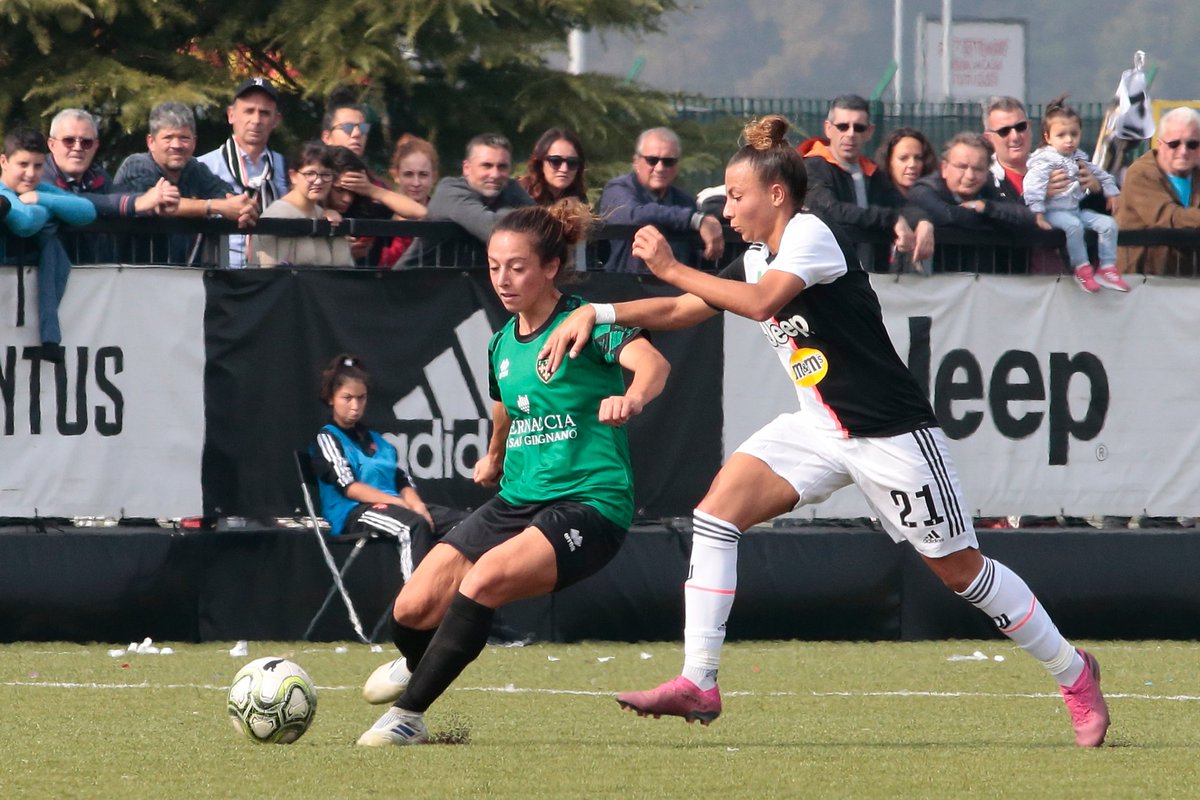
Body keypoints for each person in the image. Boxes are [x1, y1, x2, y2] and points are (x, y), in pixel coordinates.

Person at [538, 115, 1110, 748]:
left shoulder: (810, 234)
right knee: (715, 514)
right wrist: (598, 310)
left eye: (735, 196)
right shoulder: (758, 256)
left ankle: (1073, 670)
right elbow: (681, 310)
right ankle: (699, 681)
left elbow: (757, 305)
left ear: (776, 195)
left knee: (960, 573)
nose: (726, 208)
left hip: (889, 434)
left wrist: (672, 266)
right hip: (818, 425)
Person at [354, 200, 671, 746]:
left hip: (589, 505)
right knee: (412, 606)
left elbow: (653, 364)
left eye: (517, 266)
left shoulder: (585, 321)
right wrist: (495, 453)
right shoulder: (501, 343)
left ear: (550, 267)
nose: (503, 278)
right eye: (494, 265)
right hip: (516, 498)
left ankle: (409, 716)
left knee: (482, 581)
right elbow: (504, 403)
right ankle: (419, 662)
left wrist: (633, 399)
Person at [312, 354, 464, 579]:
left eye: (361, 398)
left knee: (466, 524)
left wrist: (416, 505)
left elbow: (401, 479)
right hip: (354, 512)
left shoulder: (378, 440)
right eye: (347, 398)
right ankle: (414, 607)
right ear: (331, 398)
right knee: (413, 526)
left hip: (397, 507)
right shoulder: (328, 437)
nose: (355, 406)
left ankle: (451, 594)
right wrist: (399, 504)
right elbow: (350, 487)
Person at [114, 101, 259, 265]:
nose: (176, 145)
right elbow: (158, 205)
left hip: (183, 279)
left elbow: (228, 197)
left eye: (184, 138)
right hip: (130, 276)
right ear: (151, 142)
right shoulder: (136, 166)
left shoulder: (195, 169)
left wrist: (243, 207)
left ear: (194, 142)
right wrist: (214, 206)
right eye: (168, 138)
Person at [800, 95, 933, 272]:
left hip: (871, 276)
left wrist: (923, 222)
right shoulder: (812, 167)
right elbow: (831, 210)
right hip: (826, 274)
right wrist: (891, 219)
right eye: (843, 126)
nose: (850, 134)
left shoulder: (872, 171)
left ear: (870, 132)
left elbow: (901, 204)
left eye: (859, 128)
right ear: (828, 129)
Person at [0, 126, 97, 362]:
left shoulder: (39, 191)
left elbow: (87, 211)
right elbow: (24, 224)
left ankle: (50, 339)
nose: (31, 174)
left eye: (38, 166)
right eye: (23, 165)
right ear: (4, 161)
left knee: (52, 244)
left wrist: (40, 199)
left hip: (23, 304)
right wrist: (50, 210)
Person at [982, 95, 1100, 276]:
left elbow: (1099, 212)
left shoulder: (1062, 164)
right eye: (1004, 131)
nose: (1015, 137)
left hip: (1071, 281)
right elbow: (998, 221)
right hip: (1013, 281)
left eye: (1020, 127)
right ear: (989, 138)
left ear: (1029, 127)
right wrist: (1037, 198)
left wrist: (1096, 191)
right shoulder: (984, 180)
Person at [43, 108, 178, 263]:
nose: (78, 147)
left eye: (86, 142)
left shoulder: (97, 174)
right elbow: (69, 201)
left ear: (95, 146)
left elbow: (117, 196)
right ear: (52, 145)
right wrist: (139, 202)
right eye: (69, 141)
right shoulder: (40, 173)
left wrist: (155, 206)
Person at [1024, 96, 1127, 293]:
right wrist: (1037, 212)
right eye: (1061, 135)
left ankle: (1107, 267)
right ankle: (1081, 267)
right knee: (1074, 227)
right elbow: (1032, 186)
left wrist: (1111, 192)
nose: (1069, 140)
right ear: (1048, 137)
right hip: (1054, 211)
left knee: (1108, 224)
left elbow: (1103, 175)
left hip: (1074, 209)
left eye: (1074, 134)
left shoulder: (1079, 158)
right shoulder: (1043, 161)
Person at [908, 132, 1049, 273]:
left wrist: (985, 207)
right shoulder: (924, 191)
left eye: (978, 169)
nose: (970, 176)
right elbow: (948, 216)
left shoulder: (987, 189)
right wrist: (994, 221)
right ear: (944, 168)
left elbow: (1025, 216)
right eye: (962, 167)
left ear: (987, 172)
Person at [599, 126, 723, 273]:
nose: (660, 168)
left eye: (668, 161)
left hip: (676, 289)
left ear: (677, 165)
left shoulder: (684, 201)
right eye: (652, 160)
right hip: (625, 285)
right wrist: (695, 220)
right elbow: (633, 215)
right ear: (636, 162)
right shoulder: (618, 189)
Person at [400, 133, 535, 267]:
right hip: (409, 284)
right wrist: (518, 214)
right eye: (486, 166)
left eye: (502, 167)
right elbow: (495, 232)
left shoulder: (510, 187)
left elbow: (542, 223)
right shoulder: (450, 191)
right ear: (467, 168)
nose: (495, 174)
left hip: (466, 284)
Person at [197, 78, 289, 268]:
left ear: (276, 120)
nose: (256, 120)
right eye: (248, 111)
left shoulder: (286, 167)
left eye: (264, 113)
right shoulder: (203, 166)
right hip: (220, 272)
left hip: (275, 275)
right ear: (231, 115)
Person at [1115, 106, 1200, 277]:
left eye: (1192, 144)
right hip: (1141, 281)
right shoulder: (1140, 173)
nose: (1183, 151)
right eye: (1174, 144)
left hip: (1187, 280)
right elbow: (1168, 217)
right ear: (1160, 144)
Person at [324, 145, 427, 267]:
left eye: (353, 191)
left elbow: (421, 212)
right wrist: (341, 251)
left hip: (368, 283)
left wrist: (371, 190)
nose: (347, 199)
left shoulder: (367, 210)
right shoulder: (313, 212)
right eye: (339, 190)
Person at [253, 143, 353, 267]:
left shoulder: (324, 215)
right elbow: (269, 271)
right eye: (310, 174)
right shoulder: (277, 215)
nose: (318, 181)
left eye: (326, 175)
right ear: (293, 176)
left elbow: (343, 267)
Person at [380, 134, 439, 266]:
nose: (416, 183)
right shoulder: (381, 214)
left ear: (434, 177)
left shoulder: (444, 215)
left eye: (423, 175)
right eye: (408, 174)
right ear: (396, 175)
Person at [518, 127, 589, 206]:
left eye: (572, 162)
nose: (564, 169)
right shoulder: (519, 196)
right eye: (555, 161)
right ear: (540, 163)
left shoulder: (580, 201)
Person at [875, 127, 937, 198]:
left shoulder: (933, 199)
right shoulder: (875, 200)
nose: (912, 164)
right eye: (903, 158)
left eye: (918, 158)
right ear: (888, 162)